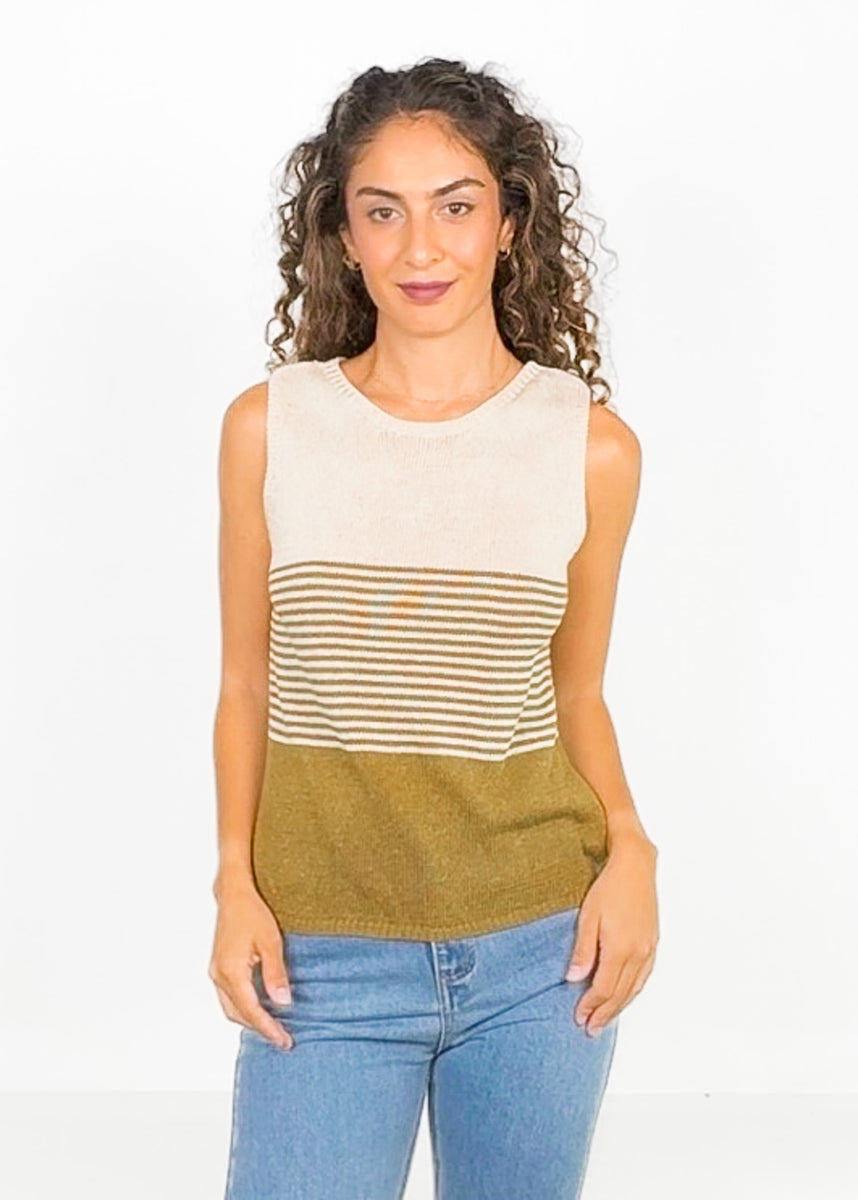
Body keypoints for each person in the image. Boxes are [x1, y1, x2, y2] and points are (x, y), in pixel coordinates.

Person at [210, 56, 659, 1200]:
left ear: (509, 223)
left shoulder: (591, 448)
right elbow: (246, 685)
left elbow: (577, 693)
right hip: (320, 956)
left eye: (456, 207)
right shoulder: (270, 429)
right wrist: (233, 884)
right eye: (384, 211)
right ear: (343, 235)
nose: (422, 247)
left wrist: (634, 853)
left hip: (541, 955)